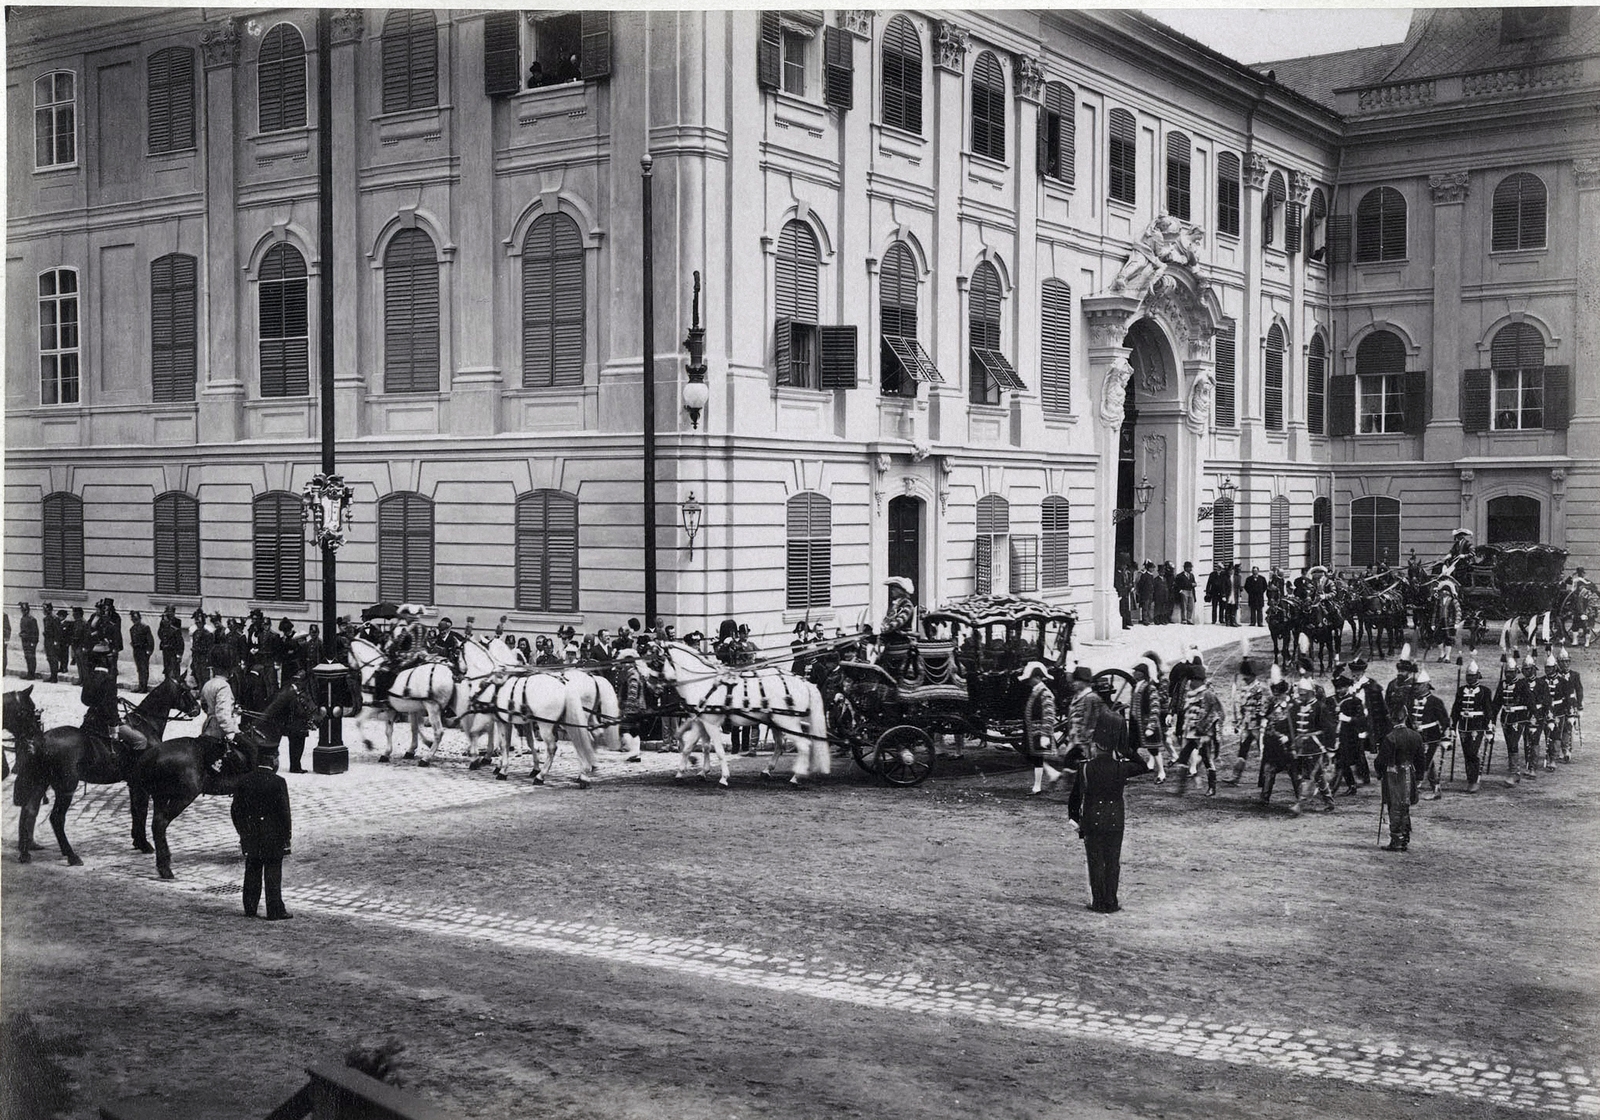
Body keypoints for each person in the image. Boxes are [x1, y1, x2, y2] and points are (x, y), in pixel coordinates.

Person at [1067, 727, 1149, 913]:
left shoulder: (1085, 767)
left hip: (1092, 819)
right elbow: (1144, 767)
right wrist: (1127, 750)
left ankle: (1098, 902)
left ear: (1096, 746)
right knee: (1112, 862)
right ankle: (1111, 901)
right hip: (1115, 820)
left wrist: (1074, 819)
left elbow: (1075, 797)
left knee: (1095, 861)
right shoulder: (1121, 767)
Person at [231, 751, 293, 920]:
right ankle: (274, 910)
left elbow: (235, 810)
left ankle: (250, 908)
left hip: (251, 834)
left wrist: (242, 831)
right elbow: (284, 812)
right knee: (273, 871)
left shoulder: (244, 780)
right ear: (273, 760)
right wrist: (287, 835)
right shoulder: (278, 782)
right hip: (273, 836)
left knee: (252, 869)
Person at [1377, 722, 1427, 852]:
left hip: (1393, 776)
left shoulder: (1390, 737)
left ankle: (1396, 840)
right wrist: (1420, 776)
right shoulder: (1416, 736)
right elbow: (1421, 758)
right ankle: (1405, 837)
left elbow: (1381, 760)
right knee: (1405, 806)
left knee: (1394, 806)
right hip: (1409, 774)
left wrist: (1379, 772)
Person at [1175, 664, 1224, 796]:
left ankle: (1212, 788)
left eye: (1192, 680)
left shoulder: (1207, 695)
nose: (1189, 682)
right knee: (1183, 757)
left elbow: (1215, 714)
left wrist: (1206, 732)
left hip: (1203, 734)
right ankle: (1181, 787)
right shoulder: (1191, 695)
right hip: (1191, 733)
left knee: (1207, 759)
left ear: (1198, 681)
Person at [1451, 660, 1495, 793]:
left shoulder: (1484, 691)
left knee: (1472, 752)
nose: (1469, 678)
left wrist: (1489, 728)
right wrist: (1453, 727)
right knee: (1466, 753)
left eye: (1472, 676)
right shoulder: (1460, 690)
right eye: (1468, 676)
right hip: (1463, 726)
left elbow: (1488, 711)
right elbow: (1455, 709)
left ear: (1478, 676)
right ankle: (1470, 778)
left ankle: (1474, 780)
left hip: (1478, 725)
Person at [1020, 662, 1063, 795]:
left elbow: (1049, 714)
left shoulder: (1045, 693)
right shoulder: (1038, 690)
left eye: (1031, 678)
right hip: (1034, 730)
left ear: (1037, 677)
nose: (1029, 681)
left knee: (1037, 758)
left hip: (1039, 730)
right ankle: (1052, 773)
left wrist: (1045, 734)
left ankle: (1037, 786)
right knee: (1033, 756)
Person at [1410, 670, 1451, 799]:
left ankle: (1415, 789)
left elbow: (1444, 721)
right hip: (1415, 736)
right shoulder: (1411, 700)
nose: (1416, 687)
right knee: (1424, 761)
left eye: (1419, 684)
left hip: (1430, 737)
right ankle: (1436, 788)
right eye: (1415, 685)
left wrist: (1445, 737)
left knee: (1423, 763)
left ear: (1427, 685)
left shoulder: (1435, 701)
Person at [1226, 659, 1267, 786]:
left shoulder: (1261, 689)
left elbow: (1264, 706)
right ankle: (1235, 777)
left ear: (1252, 675)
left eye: (1247, 675)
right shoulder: (1245, 688)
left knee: (1264, 752)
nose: (1244, 678)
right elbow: (1242, 707)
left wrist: (1261, 720)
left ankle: (1265, 779)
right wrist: (1239, 721)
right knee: (1242, 751)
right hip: (1247, 725)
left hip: (1258, 725)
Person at [128, 610, 155, 692]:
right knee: (139, 668)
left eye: (136, 619)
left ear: (140, 618)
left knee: (144, 668)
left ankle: (144, 687)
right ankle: (140, 685)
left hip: (143, 650)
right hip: (136, 651)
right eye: (133, 619)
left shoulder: (145, 628)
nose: (135, 621)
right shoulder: (132, 629)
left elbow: (150, 640)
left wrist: (149, 651)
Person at [158, 606, 185, 684]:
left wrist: (179, 654)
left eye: (171, 612)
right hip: (166, 648)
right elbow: (160, 633)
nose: (170, 613)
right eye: (168, 612)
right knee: (166, 667)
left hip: (174, 648)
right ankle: (167, 683)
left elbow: (179, 638)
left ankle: (175, 684)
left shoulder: (177, 621)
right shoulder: (163, 622)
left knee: (174, 667)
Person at [18, 603, 39, 680]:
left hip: (30, 641)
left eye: (24, 610)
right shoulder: (23, 619)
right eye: (22, 610)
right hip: (25, 641)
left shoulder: (32, 619)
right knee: (27, 657)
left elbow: (35, 632)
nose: (23, 611)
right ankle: (29, 673)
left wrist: (34, 642)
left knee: (31, 658)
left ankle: (32, 674)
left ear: (28, 610)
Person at [42, 603, 62, 683]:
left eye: (45, 609)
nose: (43, 611)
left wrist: (56, 642)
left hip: (53, 641)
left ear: (48, 610)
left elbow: (58, 632)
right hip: (47, 641)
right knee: (50, 658)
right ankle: (52, 675)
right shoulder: (45, 619)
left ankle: (55, 677)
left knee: (54, 659)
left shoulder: (55, 619)